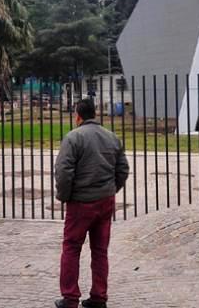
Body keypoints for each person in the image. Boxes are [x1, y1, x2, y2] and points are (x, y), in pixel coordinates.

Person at [54, 98, 129, 308]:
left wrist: (65, 195)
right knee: (100, 250)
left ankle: (70, 297)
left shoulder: (73, 138)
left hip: (80, 202)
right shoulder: (111, 137)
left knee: (71, 246)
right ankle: (99, 296)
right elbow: (123, 169)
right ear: (95, 114)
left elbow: (63, 171)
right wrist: (111, 189)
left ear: (77, 115)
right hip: (105, 202)